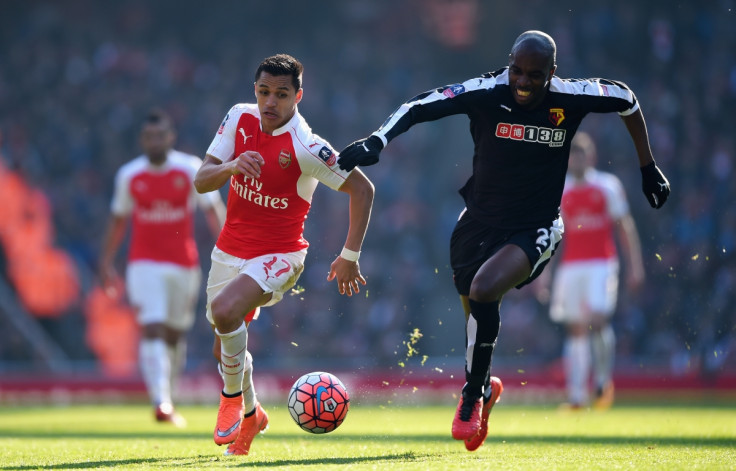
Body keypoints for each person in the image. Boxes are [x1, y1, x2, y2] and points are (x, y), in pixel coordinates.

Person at [337, 30, 670, 451]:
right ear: (508, 63)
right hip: (476, 222)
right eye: (517, 71)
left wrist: (647, 167)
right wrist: (378, 140)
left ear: (553, 72)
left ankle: (472, 395)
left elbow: (627, 100)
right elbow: (418, 105)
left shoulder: (571, 96)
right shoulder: (485, 90)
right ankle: (486, 387)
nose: (524, 82)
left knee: (483, 288)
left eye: (535, 74)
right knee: (474, 305)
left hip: (537, 226)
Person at [194, 53, 374, 456]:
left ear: (298, 97)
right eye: (263, 92)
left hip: (280, 255)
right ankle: (253, 415)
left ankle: (230, 401)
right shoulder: (238, 118)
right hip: (228, 251)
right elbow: (202, 181)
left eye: (281, 94)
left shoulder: (307, 146)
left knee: (225, 313)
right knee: (223, 344)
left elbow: (363, 189)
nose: (270, 103)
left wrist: (350, 254)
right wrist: (233, 166)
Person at [99, 108, 226, 426]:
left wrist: (230, 251)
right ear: (142, 140)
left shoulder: (189, 168)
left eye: (160, 135)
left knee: (174, 336)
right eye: (148, 137)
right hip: (143, 264)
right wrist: (106, 262)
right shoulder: (130, 175)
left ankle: (168, 397)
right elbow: (118, 221)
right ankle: (161, 401)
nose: (154, 141)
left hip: (184, 265)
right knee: (152, 327)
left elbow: (213, 210)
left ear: (171, 137)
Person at [546, 131, 644, 410]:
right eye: (573, 155)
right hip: (571, 267)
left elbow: (624, 226)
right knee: (575, 329)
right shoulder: (560, 190)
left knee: (598, 320)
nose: (577, 160)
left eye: (582, 154)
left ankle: (602, 381)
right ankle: (577, 396)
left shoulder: (607, 186)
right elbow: (553, 237)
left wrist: (635, 265)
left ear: (591, 157)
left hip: (601, 263)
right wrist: (544, 274)